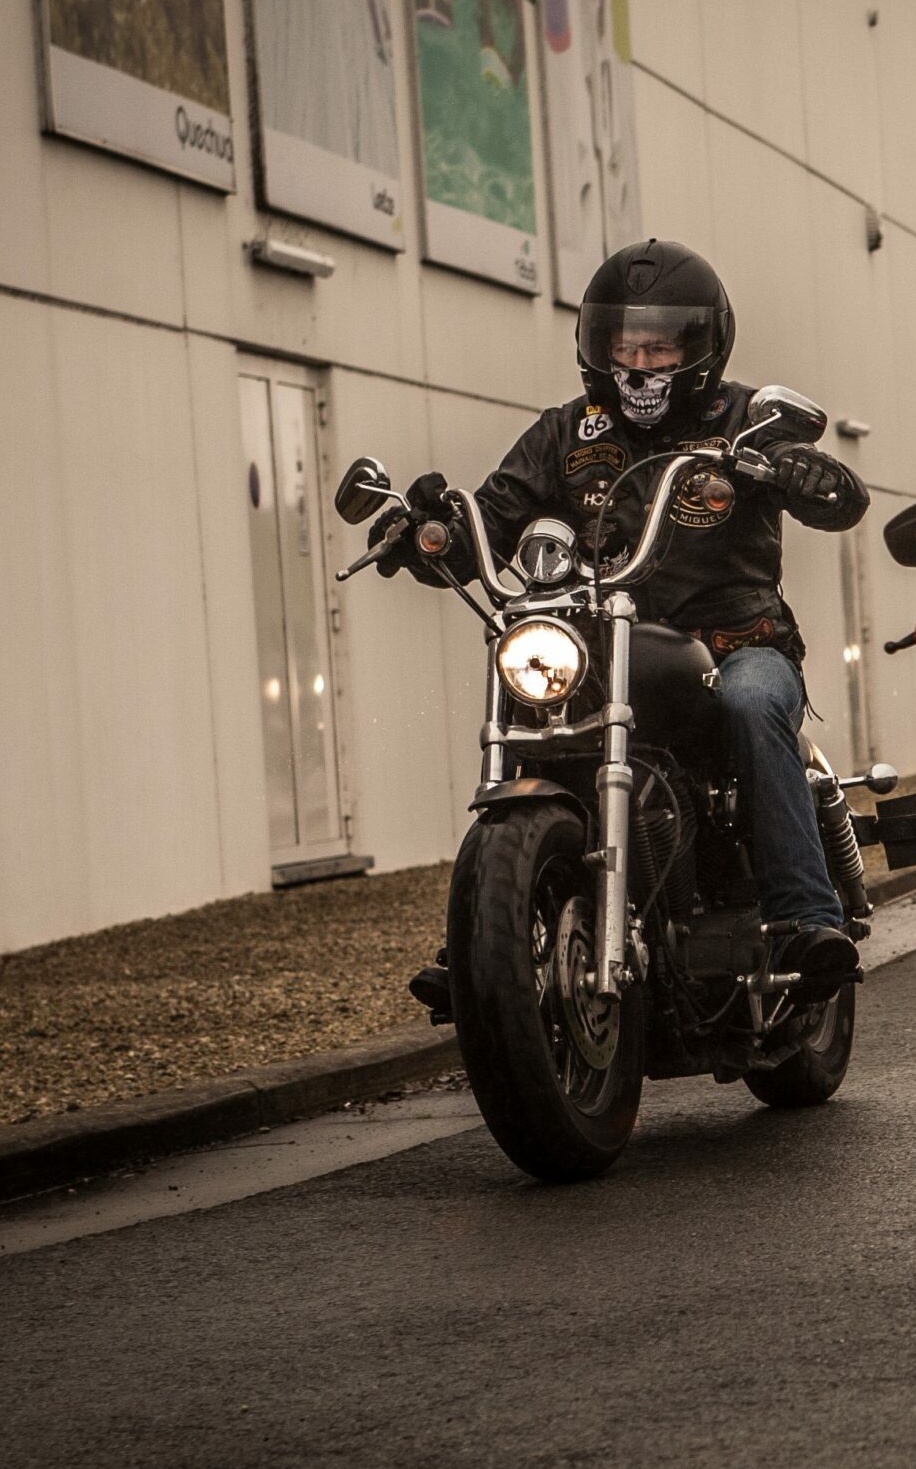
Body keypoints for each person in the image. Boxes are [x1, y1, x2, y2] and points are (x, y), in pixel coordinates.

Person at [372, 239, 870, 988]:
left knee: (752, 702)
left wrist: (806, 472)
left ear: (699, 348)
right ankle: (489, 936)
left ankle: (805, 918)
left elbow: (842, 500)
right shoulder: (564, 433)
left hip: (735, 643)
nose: (639, 364)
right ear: (598, 346)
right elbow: (493, 517)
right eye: (625, 346)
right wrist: (432, 534)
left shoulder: (744, 421)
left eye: (660, 347)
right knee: (534, 697)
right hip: (608, 651)